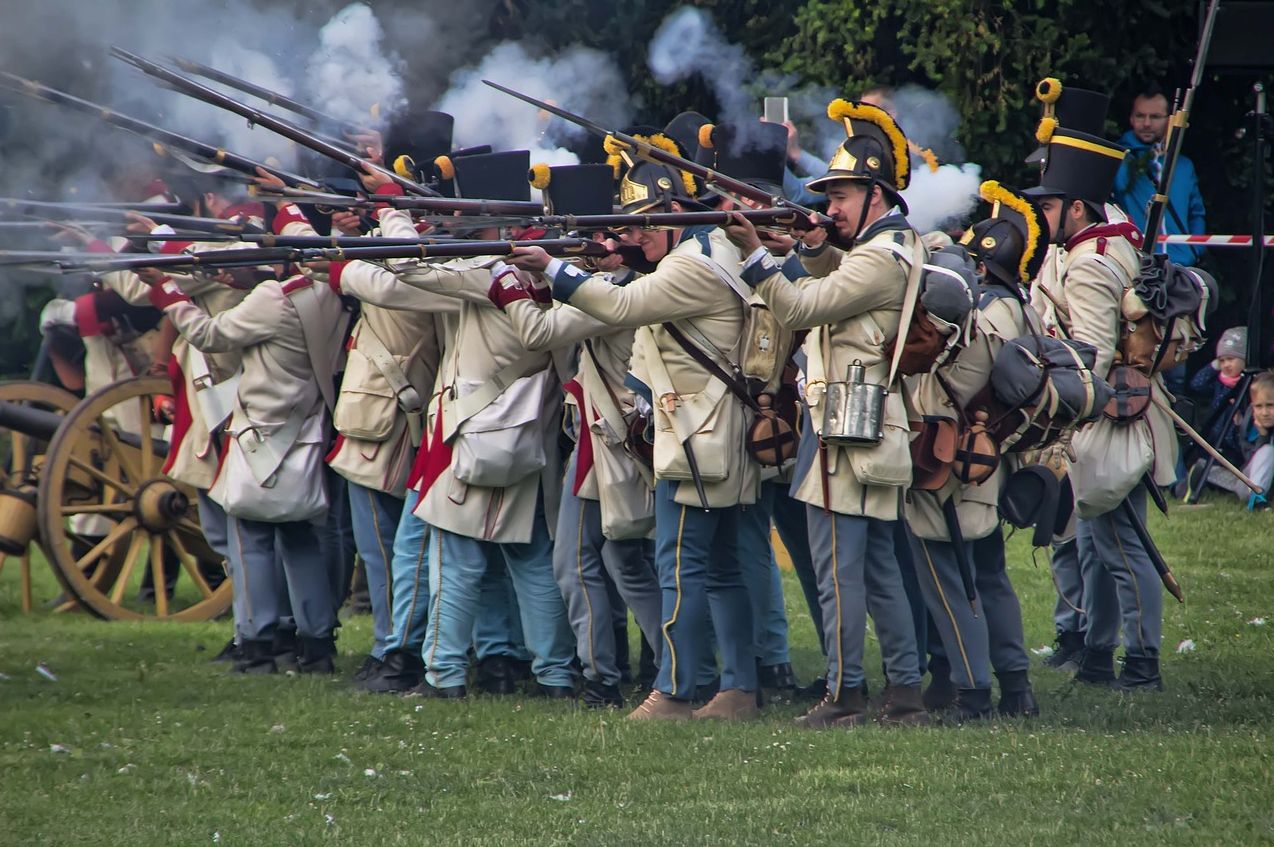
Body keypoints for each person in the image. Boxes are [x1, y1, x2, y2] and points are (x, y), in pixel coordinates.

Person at [508, 152, 763, 722]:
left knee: (680, 569)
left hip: (697, 439)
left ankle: (674, 692)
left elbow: (623, 303)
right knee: (718, 570)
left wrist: (553, 268)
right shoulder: (707, 250)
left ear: (674, 212)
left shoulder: (689, 265)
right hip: (712, 434)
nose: (636, 236)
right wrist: (614, 255)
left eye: (644, 224)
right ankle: (738, 689)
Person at [722, 98, 930, 728]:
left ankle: (845, 695)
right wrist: (813, 246)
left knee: (837, 568)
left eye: (839, 197)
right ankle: (905, 692)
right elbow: (827, 284)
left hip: (848, 422)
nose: (829, 207)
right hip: (855, 419)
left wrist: (758, 254)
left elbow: (803, 309)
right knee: (876, 567)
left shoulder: (879, 255)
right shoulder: (882, 246)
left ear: (874, 193)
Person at [1026, 125, 1177, 692]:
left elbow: (1087, 351)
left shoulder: (1089, 261)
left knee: (1119, 545)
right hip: (1117, 408)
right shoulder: (1113, 232)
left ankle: (1142, 663)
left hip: (1108, 411)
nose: (1042, 214)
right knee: (1095, 543)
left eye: (1049, 205)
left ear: (1077, 206)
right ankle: (1096, 654)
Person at [1112, 84, 1206, 267]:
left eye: (1155, 117)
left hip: (1181, 265)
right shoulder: (1118, 160)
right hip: (1136, 264)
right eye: (1140, 115)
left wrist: (1194, 250)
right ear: (1131, 118)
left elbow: (1197, 213)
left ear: (1169, 120)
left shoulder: (1184, 166)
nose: (1146, 123)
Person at [1192, 370, 1274, 508]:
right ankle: (1257, 499)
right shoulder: (1250, 424)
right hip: (1251, 483)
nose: (1264, 413)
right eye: (1259, 406)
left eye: (1270, 405)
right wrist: (1263, 436)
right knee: (1267, 451)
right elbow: (1249, 460)